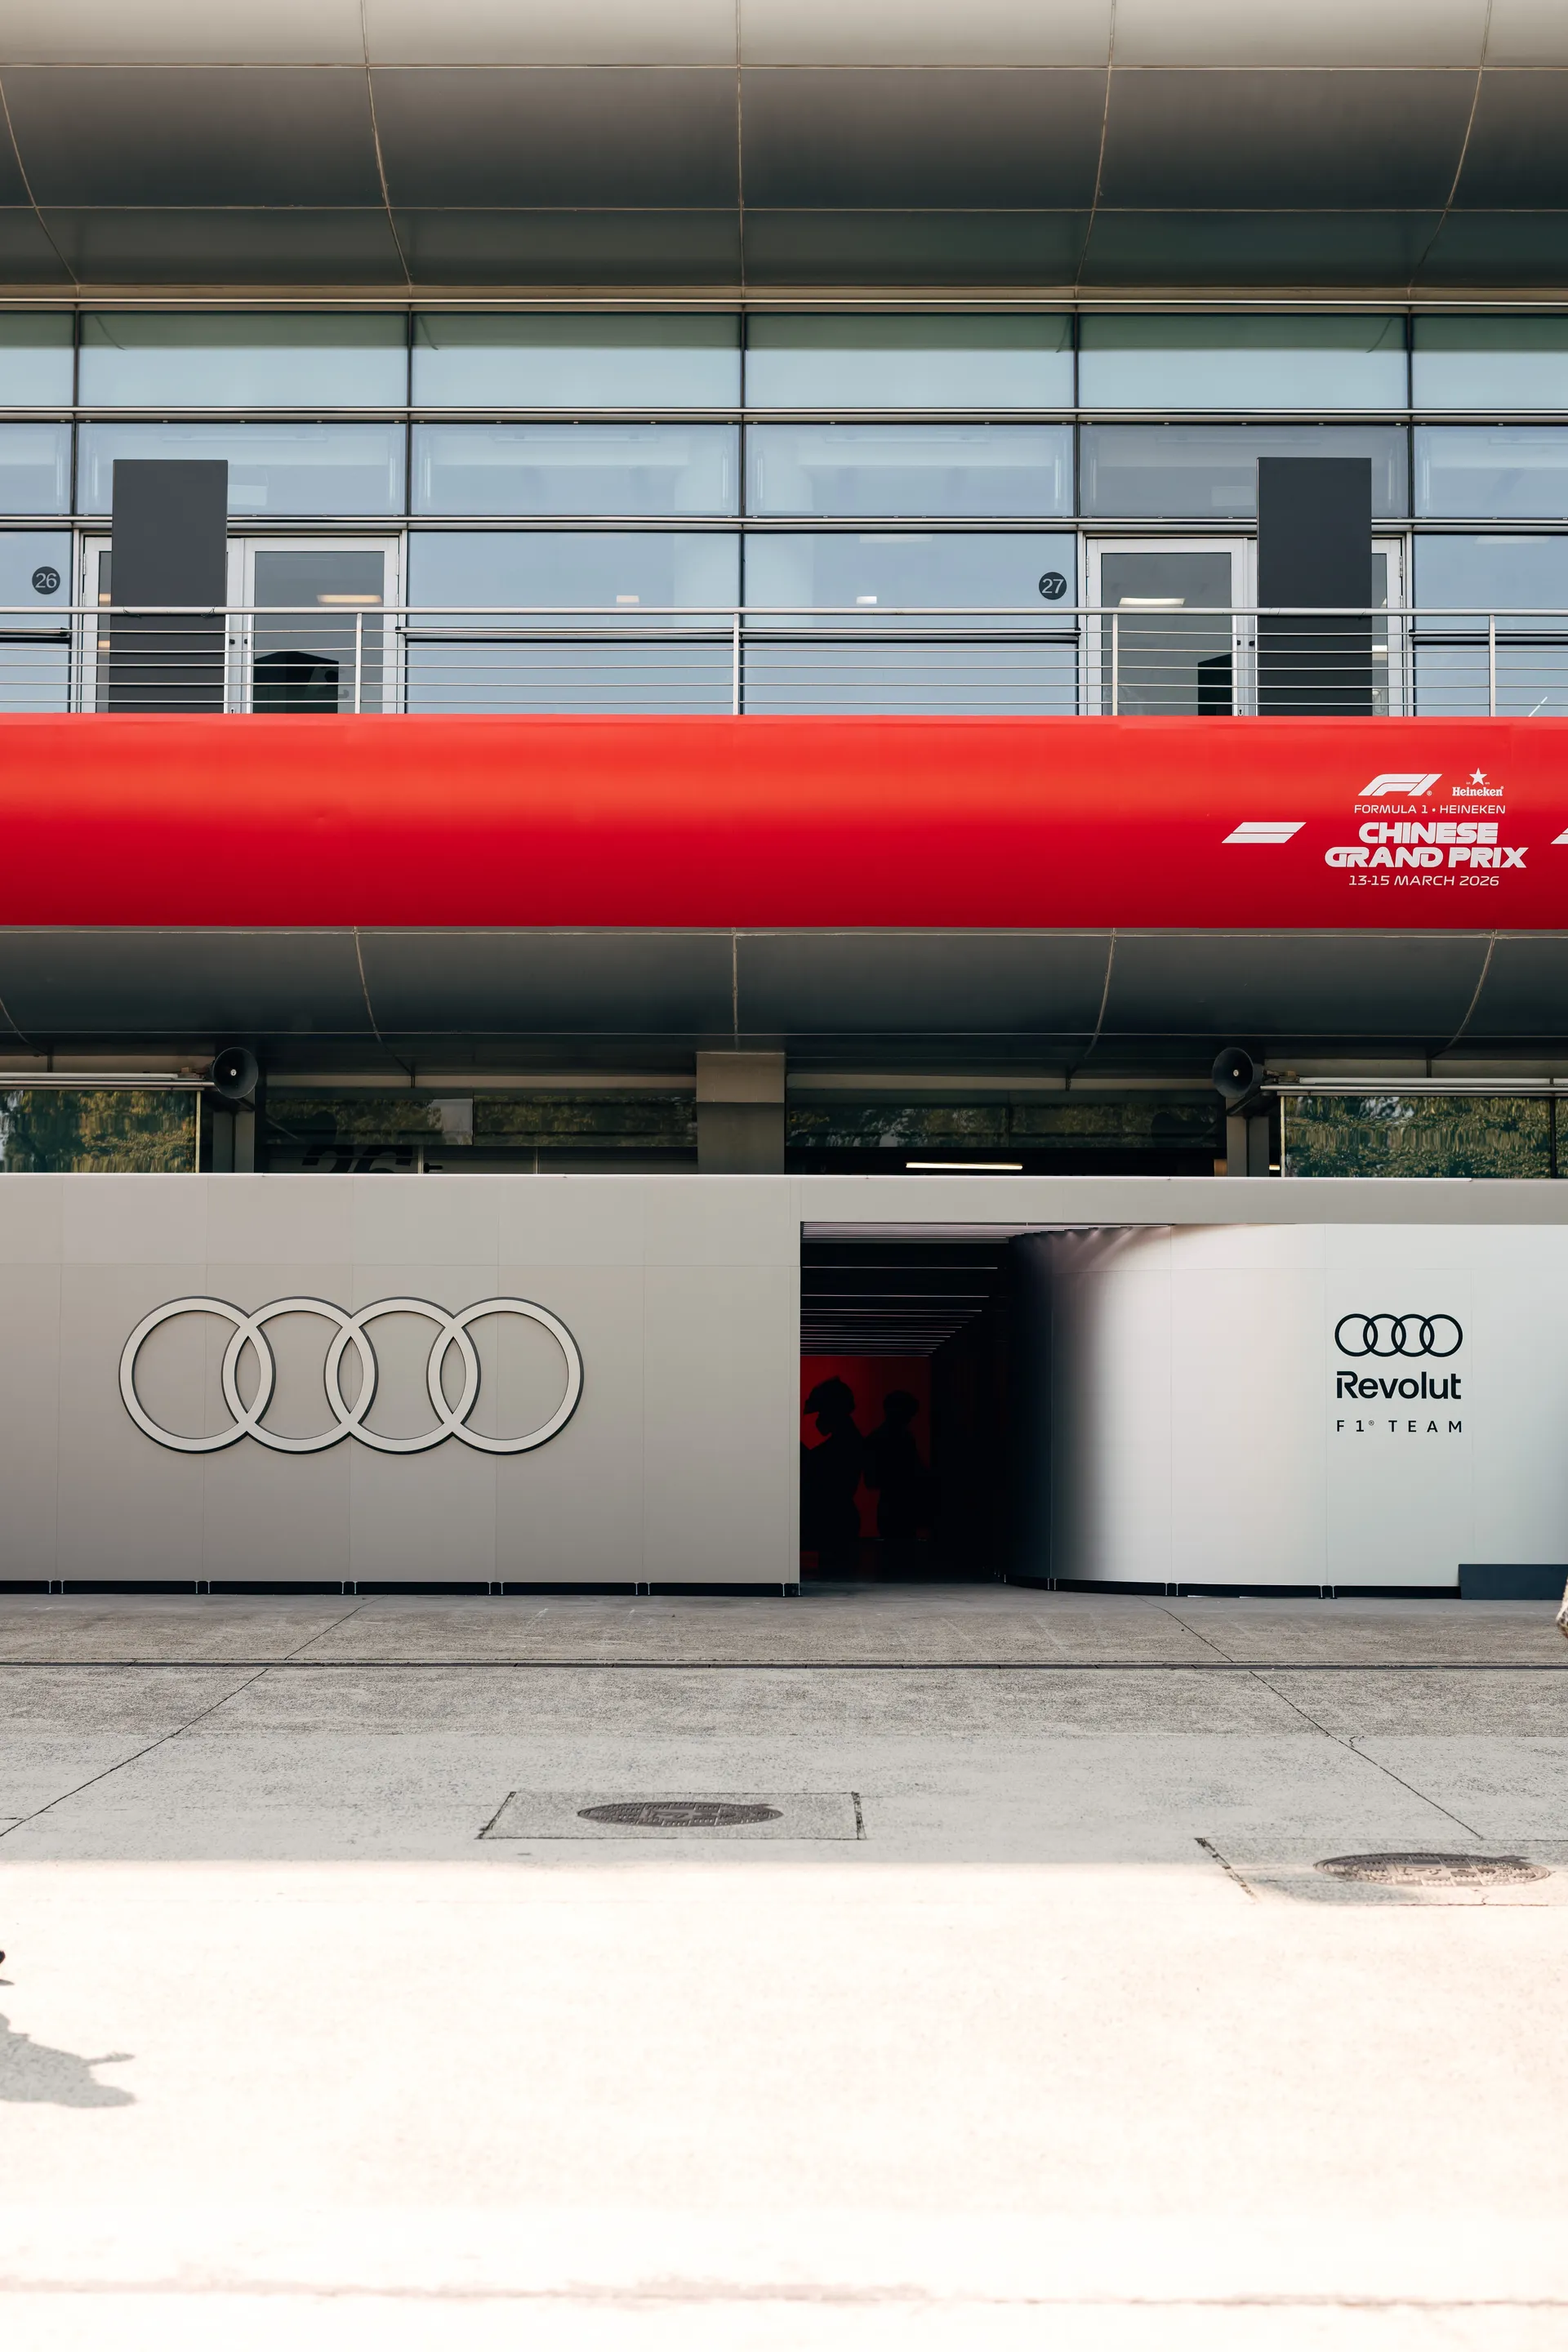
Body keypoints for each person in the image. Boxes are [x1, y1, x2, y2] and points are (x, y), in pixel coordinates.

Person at [800, 1377, 863, 1565]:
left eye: (821, 1412)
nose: (818, 1419)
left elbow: (821, 1478)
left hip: (835, 1522)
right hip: (836, 1521)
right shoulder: (847, 1438)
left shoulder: (845, 1443)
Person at [863, 1390, 933, 1544]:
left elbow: (871, 1479)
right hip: (900, 1508)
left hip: (892, 1508)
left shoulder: (878, 1438)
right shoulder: (903, 1438)